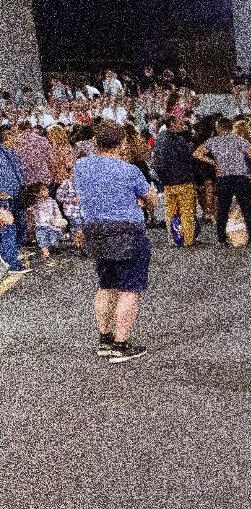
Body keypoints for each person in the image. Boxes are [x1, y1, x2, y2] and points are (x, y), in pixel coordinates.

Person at [76, 120, 157, 363]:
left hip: (95, 230)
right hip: (127, 231)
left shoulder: (81, 166)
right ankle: (121, 345)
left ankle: (105, 339)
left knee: (106, 284)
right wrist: (143, 202)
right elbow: (150, 198)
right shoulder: (129, 170)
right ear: (121, 143)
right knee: (130, 287)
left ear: (95, 142)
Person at [193, 118, 251, 246]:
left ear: (219, 128)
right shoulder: (240, 140)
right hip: (241, 177)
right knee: (248, 208)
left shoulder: (213, 141)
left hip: (223, 178)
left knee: (222, 209)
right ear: (230, 127)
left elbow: (197, 153)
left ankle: (221, 239)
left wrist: (213, 162)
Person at [150, 115, 198, 246]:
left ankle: (173, 238)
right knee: (186, 211)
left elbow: (155, 160)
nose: (182, 124)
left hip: (167, 182)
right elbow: (188, 158)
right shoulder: (178, 140)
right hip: (183, 180)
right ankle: (187, 240)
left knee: (170, 212)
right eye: (180, 122)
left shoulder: (159, 139)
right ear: (172, 124)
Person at [0, 126, 27, 274]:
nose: (17, 138)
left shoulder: (11, 153)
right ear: (7, 137)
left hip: (17, 196)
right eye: (14, 135)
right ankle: (11, 263)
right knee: (8, 229)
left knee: (21, 226)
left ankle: (11, 255)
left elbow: (19, 172)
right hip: (4, 199)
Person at [30, 183, 65, 265]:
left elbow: (57, 211)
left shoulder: (52, 201)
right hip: (40, 226)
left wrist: (58, 220)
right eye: (44, 190)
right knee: (42, 241)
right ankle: (46, 256)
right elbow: (34, 214)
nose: (47, 190)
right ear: (38, 193)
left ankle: (49, 250)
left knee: (53, 242)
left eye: (46, 189)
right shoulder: (35, 202)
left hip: (52, 225)